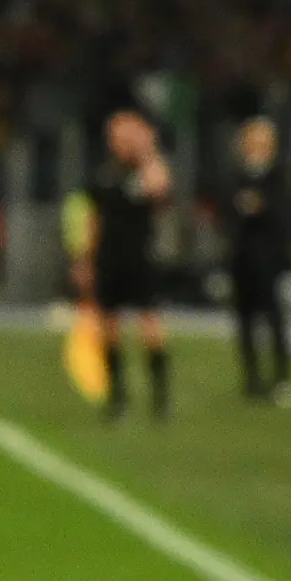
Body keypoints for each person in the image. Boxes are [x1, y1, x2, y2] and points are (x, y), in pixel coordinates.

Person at [78, 106, 175, 422]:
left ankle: (160, 399)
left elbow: (160, 189)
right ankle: (117, 397)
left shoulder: (147, 169)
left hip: (140, 257)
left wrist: (146, 151)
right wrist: (85, 259)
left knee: (151, 325)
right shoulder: (104, 174)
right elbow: (94, 219)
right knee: (109, 328)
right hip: (109, 257)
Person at [222, 115, 291, 404]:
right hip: (241, 257)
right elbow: (228, 213)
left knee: (273, 317)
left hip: (268, 257)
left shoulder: (279, 175)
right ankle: (251, 379)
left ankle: (281, 377)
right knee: (244, 320)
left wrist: (261, 207)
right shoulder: (236, 176)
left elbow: (284, 215)